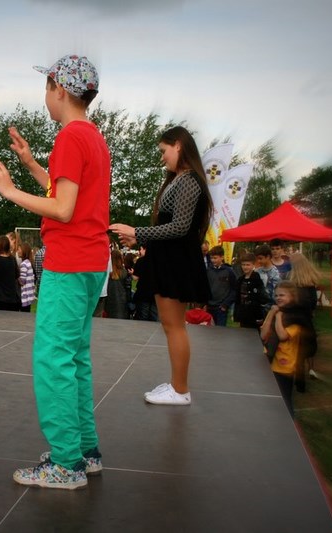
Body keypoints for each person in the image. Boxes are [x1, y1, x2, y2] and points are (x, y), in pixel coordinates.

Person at [0, 54, 109, 490]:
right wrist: (32, 164)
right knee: (75, 358)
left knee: (53, 360)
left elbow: (63, 208)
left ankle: (66, 464)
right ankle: (85, 452)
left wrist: (9, 190)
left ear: (59, 89)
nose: (45, 96)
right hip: (91, 262)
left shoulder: (70, 137)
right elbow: (69, 193)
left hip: (68, 263)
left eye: (46, 87)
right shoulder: (92, 136)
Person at [110, 125, 213, 406]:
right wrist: (139, 236)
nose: (162, 157)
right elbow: (173, 227)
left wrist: (137, 231)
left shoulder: (189, 181)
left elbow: (179, 227)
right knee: (171, 325)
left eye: (163, 150)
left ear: (178, 145)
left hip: (175, 262)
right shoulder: (180, 179)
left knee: (174, 326)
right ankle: (177, 386)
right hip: (170, 260)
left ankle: (180, 390)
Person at [260, 281, 317, 417]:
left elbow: (283, 335)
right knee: (271, 398)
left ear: (292, 296)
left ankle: (290, 421)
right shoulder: (278, 312)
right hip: (271, 362)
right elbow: (263, 335)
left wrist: (278, 316)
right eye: (276, 295)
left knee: (284, 399)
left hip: (286, 367)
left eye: (282, 295)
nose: (278, 298)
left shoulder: (297, 317)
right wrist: (271, 313)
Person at [233, 252, 267, 329]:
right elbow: (238, 299)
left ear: (253, 265)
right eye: (243, 265)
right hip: (243, 313)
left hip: (254, 314)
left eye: (248, 265)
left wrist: (259, 316)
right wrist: (236, 315)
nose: (245, 267)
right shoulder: (240, 280)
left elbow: (259, 298)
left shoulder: (256, 279)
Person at [205, 245, 236, 327]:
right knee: (208, 330)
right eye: (211, 258)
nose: (213, 260)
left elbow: (234, 289)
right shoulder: (208, 271)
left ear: (222, 257)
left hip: (221, 308)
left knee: (220, 330)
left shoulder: (229, 271)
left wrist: (225, 304)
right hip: (209, 306)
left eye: (215, 258)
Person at [131, 244, 158, 321]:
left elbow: (135, 277)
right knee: (154, 316)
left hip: (143, 292)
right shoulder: (159, 261)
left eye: (141, 249)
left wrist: (131, 273)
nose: (140, 251)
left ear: (145, 249)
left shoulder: (140, 261)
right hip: (156, 292)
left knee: (143, 316)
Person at [104, 248, 130, 319]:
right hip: (122, 299)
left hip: (109, 299)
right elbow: (127, 287)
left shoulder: (108, 272)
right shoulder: (124, 272)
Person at [255, 243, 280, 312]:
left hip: (270, 308)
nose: (258, 261)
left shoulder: (275, 273)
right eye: (257, 259)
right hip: (257, 307)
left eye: (260, 258)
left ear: (268, 257)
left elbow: (276, 293)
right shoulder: (256, 271)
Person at [17, 242, 35, 312]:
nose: (18, 251)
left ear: (24, 251)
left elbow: (22, 282)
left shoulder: (24, 264)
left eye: (19, 249)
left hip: (25, 296)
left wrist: (16, 276)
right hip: (29, 295)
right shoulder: (28, 262)